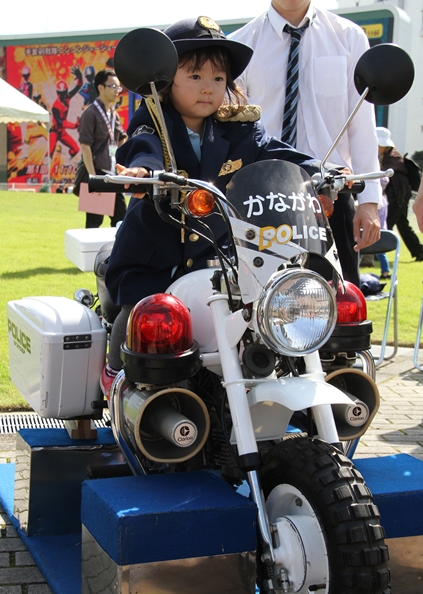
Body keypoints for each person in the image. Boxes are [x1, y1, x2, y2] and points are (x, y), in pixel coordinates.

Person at [100, 15, 333, 395]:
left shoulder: (240, 128)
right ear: (166, 79)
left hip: (219, 254)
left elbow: (277, 152)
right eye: (195, 76)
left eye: (218, 78)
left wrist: (323, 170)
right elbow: (144, 147)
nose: (208, 87)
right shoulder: (153, 118)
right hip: (155, 253)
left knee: (259, 311)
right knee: (140, 311)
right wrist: (143, 172)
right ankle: (115, 373)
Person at [229, 0, 382, 287]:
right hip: (263, 200)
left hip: (332, 193)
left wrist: (369, 201)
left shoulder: (349, 37)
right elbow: (235, 129)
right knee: (262, 300)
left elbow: (362, 122)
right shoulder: (241, 44)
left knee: (341, 298)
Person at [78, 69, 127, 228]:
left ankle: (117, 246)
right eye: (113, 86)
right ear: (101, 87)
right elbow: (85, 146)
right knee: (94, 222)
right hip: (98, 173)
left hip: (113, 174)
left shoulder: (114, 114)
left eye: (118, 87)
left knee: (121, 218)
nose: (117, 90)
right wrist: (93, 178)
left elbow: (121, 138)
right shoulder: (90, 113)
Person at [377, 126, 423, 262]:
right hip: (400, 196)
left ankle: (377, 253)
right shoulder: (389, 156)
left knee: (386, 223)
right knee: (402, 224)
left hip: (398, 196)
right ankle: (419, 251)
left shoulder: (392, 158)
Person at [49, 66, 83, 158]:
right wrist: (74, 125)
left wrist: (80, 76)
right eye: (61, 93)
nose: (64, 95)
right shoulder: (55, 107)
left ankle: (67, 161)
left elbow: (78, 86)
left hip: (62, 132)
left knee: (76, 149)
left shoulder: (67, 97)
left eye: (65, 93)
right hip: (54, 132)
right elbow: (60, 122)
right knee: (49, 154)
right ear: (58, 93)